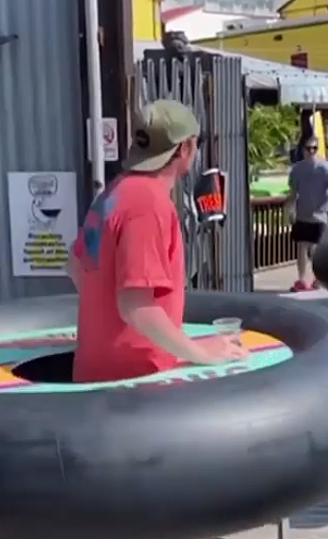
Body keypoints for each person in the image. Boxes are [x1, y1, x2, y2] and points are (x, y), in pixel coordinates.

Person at [66, 99, 248, 383]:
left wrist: (103, 316)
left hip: (93, 375)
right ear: (186, 148)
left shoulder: (113, 193)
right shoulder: (148, 204)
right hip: (135, 383)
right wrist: (199, 351)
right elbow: (135, 306)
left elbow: (76, 264)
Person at [286, 136, 328, 292]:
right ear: (303, 150)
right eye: (309, 149)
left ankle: (317, 279)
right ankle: (302, 279)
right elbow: (293, 192)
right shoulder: (297, 169)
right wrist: (289, 209)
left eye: (314, 148)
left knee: (315, 249)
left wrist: (325, 207)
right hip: (303, 213)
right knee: (302, 247)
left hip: (319, 215)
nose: (312, 152)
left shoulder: (325, 168)